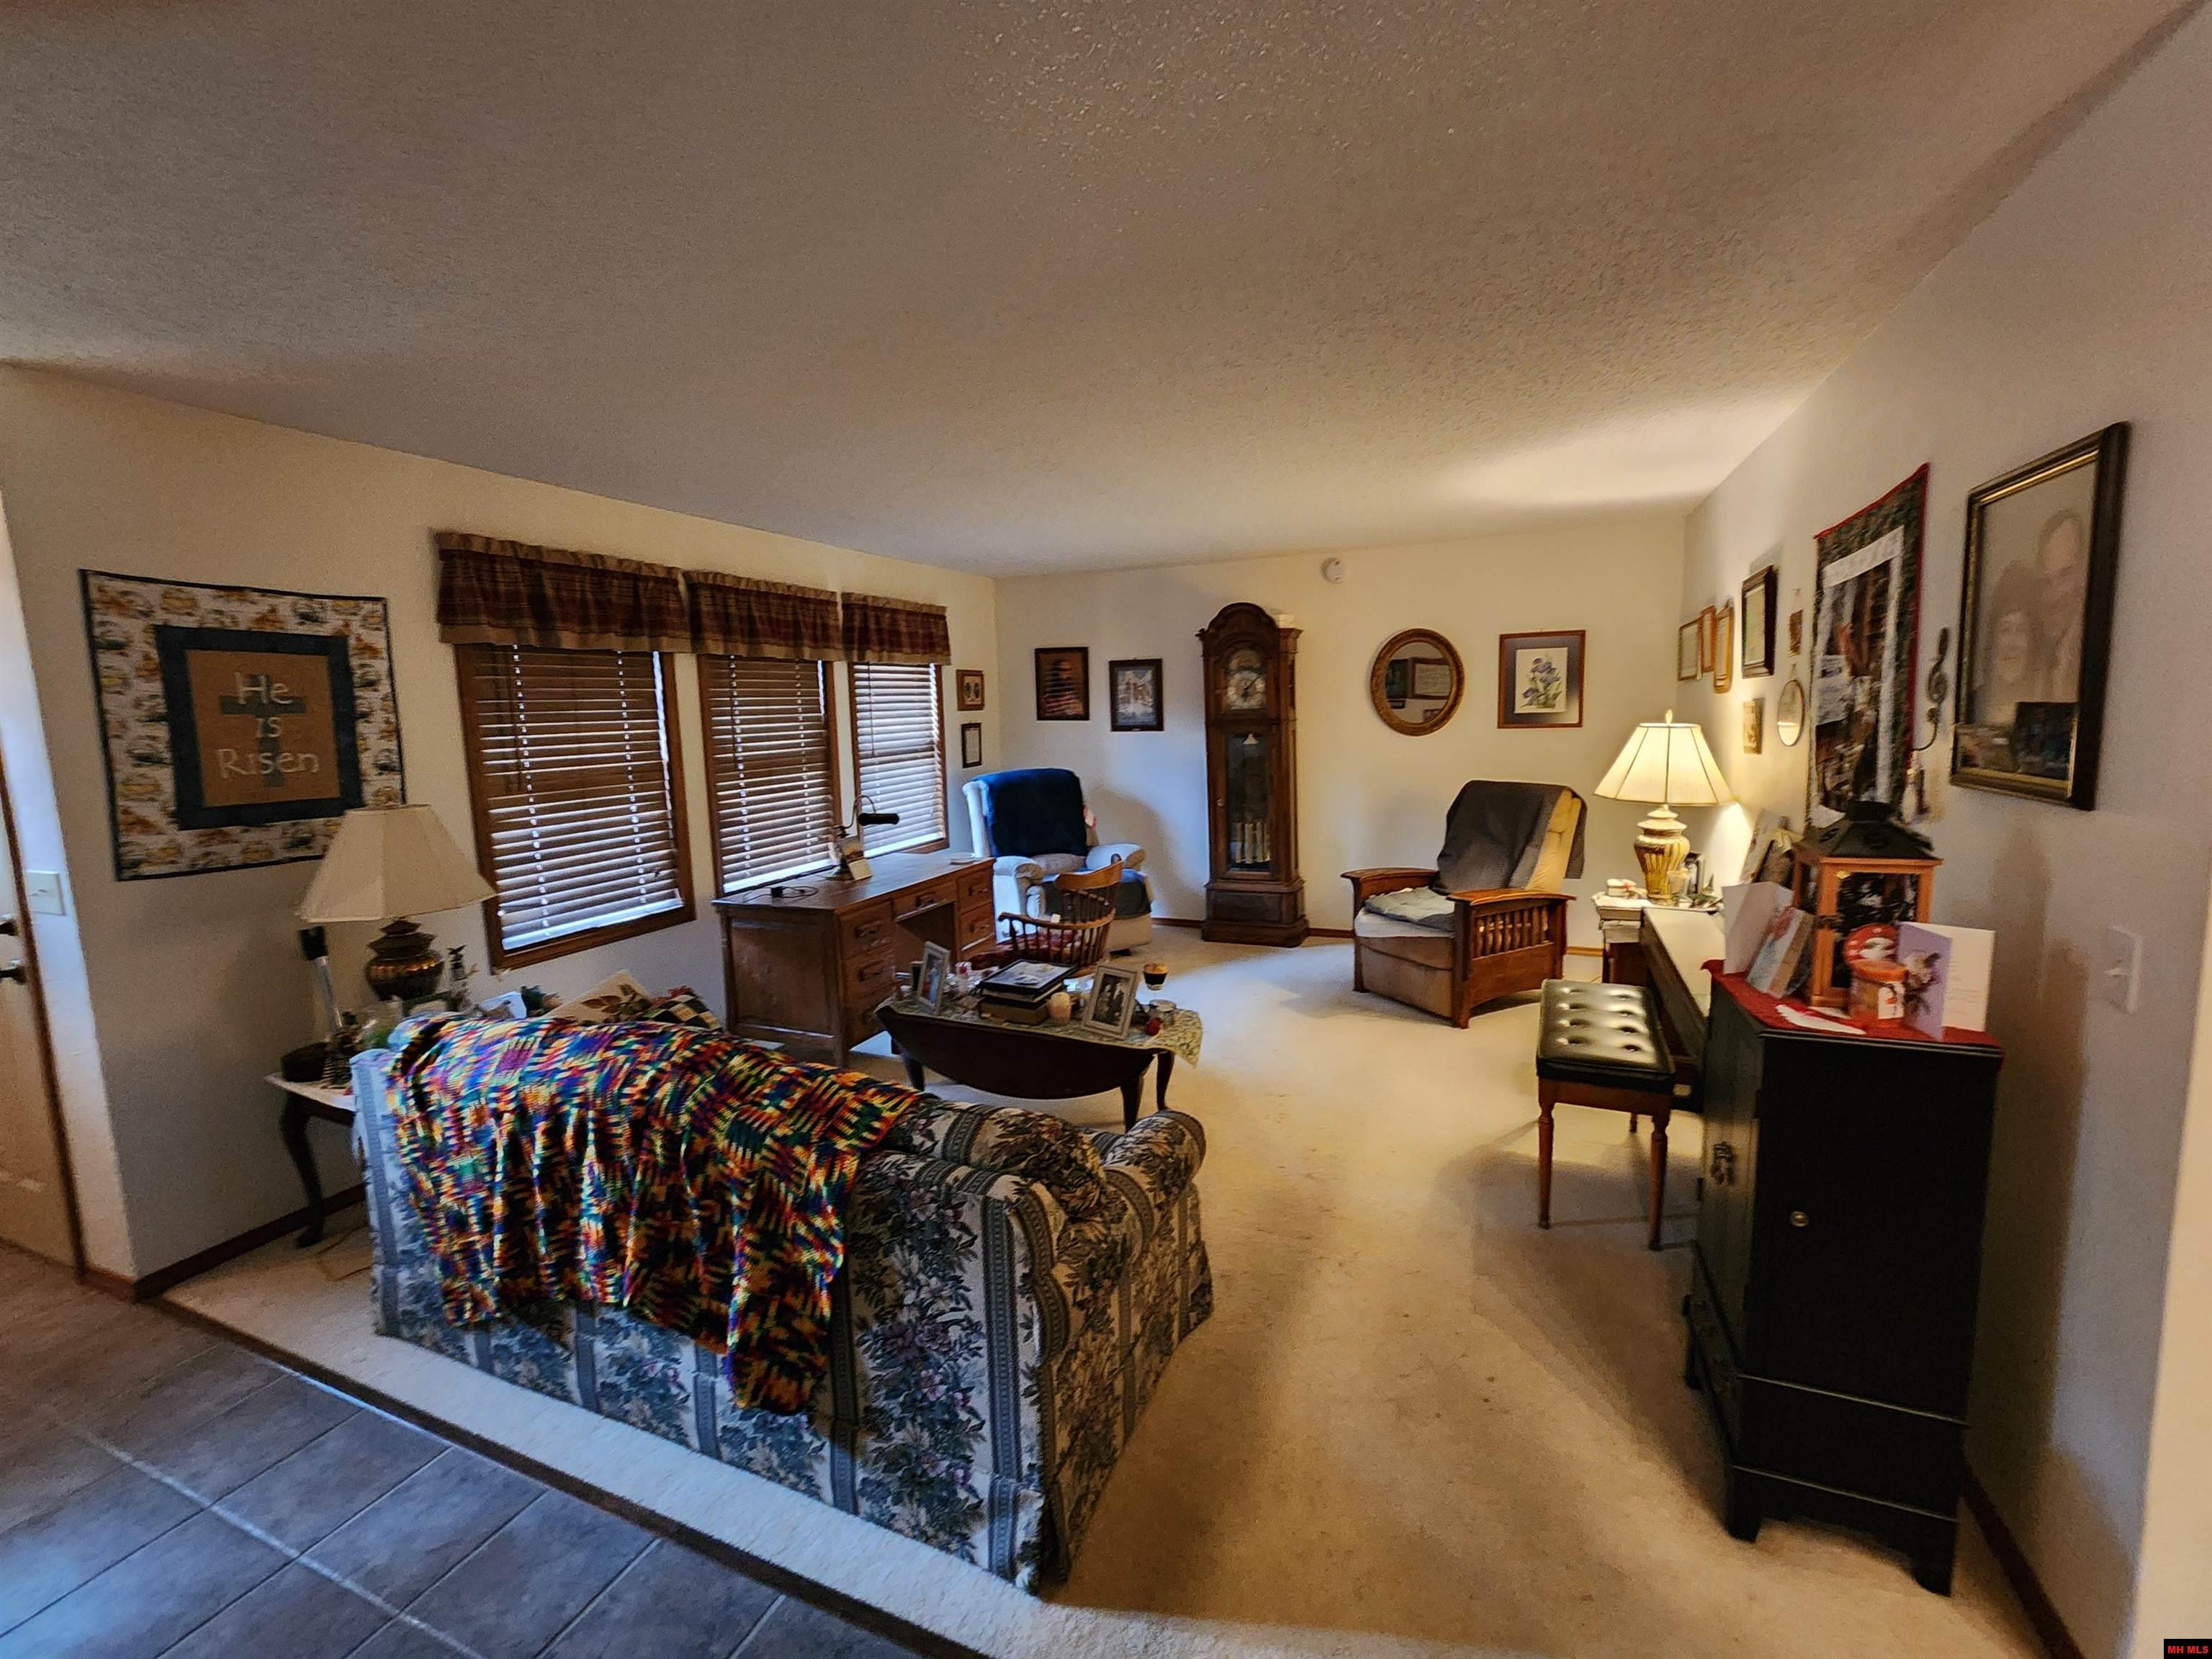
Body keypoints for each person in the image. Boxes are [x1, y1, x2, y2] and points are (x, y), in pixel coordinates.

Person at [1977, 561, 2045, 725]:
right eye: (2005, 630)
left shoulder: (2045, 703)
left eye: (2021, 631)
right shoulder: (1975, 705)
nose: (2012, 644)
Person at [2035, 508, 2089, 701]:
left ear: (2084, 574)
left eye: (2065, 575)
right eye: (2047, 582)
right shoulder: (2038, 655)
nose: (2054, 597)